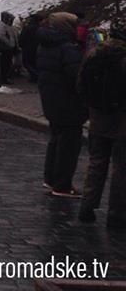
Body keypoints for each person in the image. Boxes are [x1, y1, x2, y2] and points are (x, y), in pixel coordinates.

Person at [77, 26, 126, 228]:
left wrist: (91, 107)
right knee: (121, 168)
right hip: (122, 121)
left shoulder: (93, 54)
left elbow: (80, 85)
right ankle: (117, 214)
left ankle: (86, 207)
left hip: (97, 118)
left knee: (96, 163)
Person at [37, 12, 88, 198]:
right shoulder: (67, 48)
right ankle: (62, 184)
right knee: (68, 146)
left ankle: (50, 178)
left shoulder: (45, 45)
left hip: (51, 101)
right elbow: (76, 77)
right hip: (68, 104)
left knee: (56, 140)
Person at [0, 11, 19, 83]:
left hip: (8, 47)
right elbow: (2, 37)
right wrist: (10, 43)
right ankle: (3, 78)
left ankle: (5, 77)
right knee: (5, 64)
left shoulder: (7, 25)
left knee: (8, 63)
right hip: (4, 48)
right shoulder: (2, 26)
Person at [19, 14, 43, 82]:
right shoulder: (40, 28)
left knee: (27, 63)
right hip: (37, 48)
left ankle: (34, 76)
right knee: (35, 63)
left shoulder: (27, 28)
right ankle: (35, 76)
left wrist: (21, 45)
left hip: (27, 48)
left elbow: (22, 38)